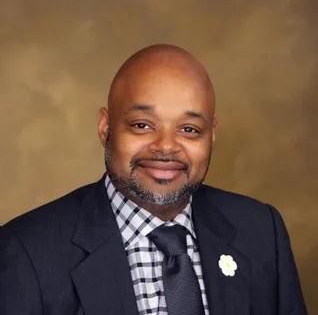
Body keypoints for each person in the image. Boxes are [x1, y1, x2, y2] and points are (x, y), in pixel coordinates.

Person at [0, 44, 307, 315]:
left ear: (211, 136)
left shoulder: (261, 231)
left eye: (189, 129)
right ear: (105, 128)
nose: (165, 146)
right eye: (143, 125)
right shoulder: (27, 252)